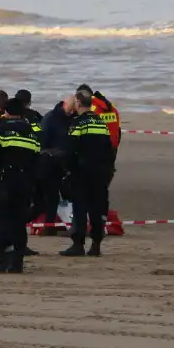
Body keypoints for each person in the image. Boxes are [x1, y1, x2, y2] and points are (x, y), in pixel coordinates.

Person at [0, 98, 41, 273]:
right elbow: (37, 159)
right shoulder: (31, 132)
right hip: (24, 183)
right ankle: (17, 262)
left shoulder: (2, 129)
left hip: (4, 182)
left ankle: (0, 260)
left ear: (6, 113)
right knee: (19, 222)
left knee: (2, 221)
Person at [61, 89, 116, 257]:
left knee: (80, 208)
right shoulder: (101, 123)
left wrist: (67, 170)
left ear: (78, 103)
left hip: (81, 172)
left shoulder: (78, 123)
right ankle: (96, 245)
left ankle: (78, 245)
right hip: (100, 173)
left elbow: (70, 149)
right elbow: (109, 149)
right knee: (98, 208)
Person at [33, 93, 75, 236]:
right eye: (69, 110)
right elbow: (42, 144)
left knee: (67, 196)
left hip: (65, 164)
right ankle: (47, 226)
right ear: (64, 105)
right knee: (50, 198)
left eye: (73, 111)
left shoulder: (73, 119)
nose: (71, 113)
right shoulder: (50, 119)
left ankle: (64, 224)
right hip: (48, 163)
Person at [77, 83, 121, 155]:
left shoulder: (91, 108)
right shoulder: (112, 107)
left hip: (99, 148)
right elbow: (118, 130)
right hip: (113, 147)